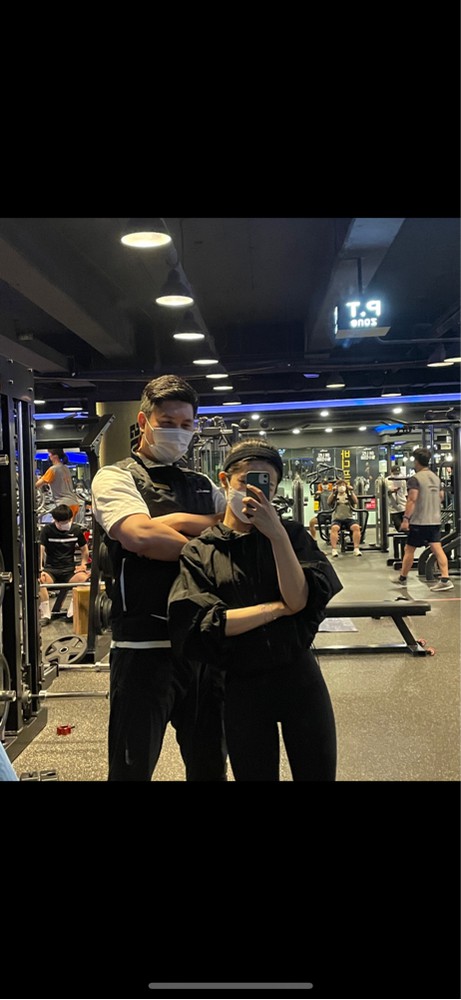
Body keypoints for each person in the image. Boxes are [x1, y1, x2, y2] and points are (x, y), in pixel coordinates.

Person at [167, 439, 343, 782]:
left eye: (268, 486)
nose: (257, 493)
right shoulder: (202, 550)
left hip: (299, 676)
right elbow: (207, 624)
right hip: (242, 683)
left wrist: (276, 534)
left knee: (318, 773)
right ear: (224, 480)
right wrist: (274, 609)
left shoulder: (291, 536)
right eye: (247, 481)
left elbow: (299, 600)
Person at [91, 374, 227, 782]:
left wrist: (179, 522)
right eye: (168, 423)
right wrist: (208, 542)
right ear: (144, 421)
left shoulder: (203, 485)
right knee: (130, 771)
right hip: (143, 649)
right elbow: (140, 535)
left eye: (186, 425)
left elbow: (235, 532)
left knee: (210, 768)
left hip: (203, 647)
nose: (178, 432)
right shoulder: (115, 477)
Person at [389, 447, 454, 591]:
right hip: (434, 520)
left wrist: (406, 519)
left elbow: (412, 499)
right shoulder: (435, 478)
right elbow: (441, 497)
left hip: (420, 521)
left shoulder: (415, 479)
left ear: (416, 461)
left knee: (409, 549)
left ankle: (402, 578)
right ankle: (445, 579)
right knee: (437, 549)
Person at [39, 504, 90, 625]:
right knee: (39, 581)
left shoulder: (76, 530)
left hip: (69, 571)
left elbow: (85, 550)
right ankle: (46, 615)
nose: (66, 524)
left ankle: (72, 613)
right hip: (51, 570)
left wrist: (83, 564)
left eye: (67, 521)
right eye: (62, 522)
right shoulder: (47, 530)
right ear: (55, 520)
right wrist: (39, 568)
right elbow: (40, 550)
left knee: (86, 579)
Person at [36, 448, 81, 520]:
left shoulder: (53, 469)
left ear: (55, 456)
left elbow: (36, 485)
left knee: (58, 526)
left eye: (49, 454)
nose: (49, 455)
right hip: (74, 503)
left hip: (65, 506)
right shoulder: (65, 468)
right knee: (65, 526)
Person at [327, 479, 362, 557]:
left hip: (348, 518)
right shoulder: (335, 495)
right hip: (337, 518)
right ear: (337, 486)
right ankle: (334, 550)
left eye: (343, 485)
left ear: (346, 486)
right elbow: (328, 502)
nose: (341, 487)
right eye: (339, 485)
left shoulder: (349, 495)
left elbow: (356, 501)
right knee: (334, 528)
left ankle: (356, 549)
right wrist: (333, 492)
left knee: (356, 527)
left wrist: (351, 491)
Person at [385, 464, 407, 530]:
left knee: (405, 527)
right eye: (395, 473)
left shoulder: (402, 480)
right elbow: (385, 492)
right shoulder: (387, 480)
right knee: (398, 526)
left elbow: (404, 493)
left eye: (397, 473)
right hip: (393, 507)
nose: (396, 475)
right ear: (391, 472)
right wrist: (392, 491)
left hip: (403, 505)